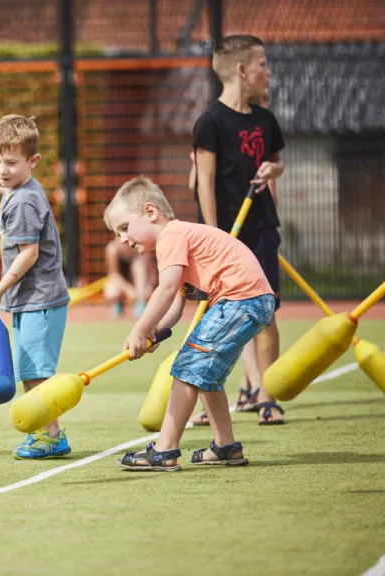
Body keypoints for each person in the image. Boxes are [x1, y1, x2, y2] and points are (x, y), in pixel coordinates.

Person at [104, 176, 275, 471]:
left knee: (188, 367)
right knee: (207, 376)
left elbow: (166, 289)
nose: (122, 239)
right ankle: (225, 446)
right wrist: (155, 333)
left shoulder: (171, 236)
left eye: (124, 228)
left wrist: (139, 330)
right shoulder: (177, 242)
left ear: (150, 212)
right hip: (249, 301)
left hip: (240, 300)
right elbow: (176, 304)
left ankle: (164, 449)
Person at [192, 35, 286, 425]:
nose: (268, 71)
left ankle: (267, 395)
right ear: (242, 70)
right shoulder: (209, 122)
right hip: (227, 235)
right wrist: (214, 240)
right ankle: (221, 393)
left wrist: (273, 170)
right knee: (223, 315)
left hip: (261, 226)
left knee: (266, 314)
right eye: (262, 64)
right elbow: (205, 182)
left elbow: (275, 161)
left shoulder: (266, 120)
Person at [0, 114, 71, 459]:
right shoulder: (19, 190)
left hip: (39, 298)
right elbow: (10, 195)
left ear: (33, 161)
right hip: (29, 299)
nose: (2, 169)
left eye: (11, 163)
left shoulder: (24, 200)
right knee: (30, 369)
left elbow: (28, 254)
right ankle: (45, 432)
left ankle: (52, 436)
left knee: (37, 373)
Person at [103, 238, 157, 318]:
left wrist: (148, 288)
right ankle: (118, 305)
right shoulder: (113, 249)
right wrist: (129, 290)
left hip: (139, 285)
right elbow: (114, 275)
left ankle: (141, 304)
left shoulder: (139, 247)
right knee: (112, 292)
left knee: (139, 265)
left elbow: (152, 274)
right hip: (121, 285)